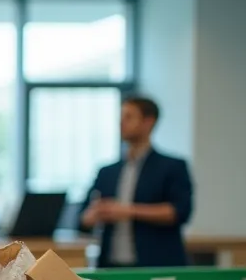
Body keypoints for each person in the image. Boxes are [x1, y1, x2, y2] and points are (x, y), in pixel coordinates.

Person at [80, 96, 193, 268]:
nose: (121, 123)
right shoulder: (107, 171)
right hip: (111, 265)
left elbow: (179, 211)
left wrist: (127, 210)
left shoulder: (172, 166)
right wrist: (94, 214)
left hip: (157, 264)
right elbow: (83, 218)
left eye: (129, 117)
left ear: (148, 122)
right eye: (121, 117)